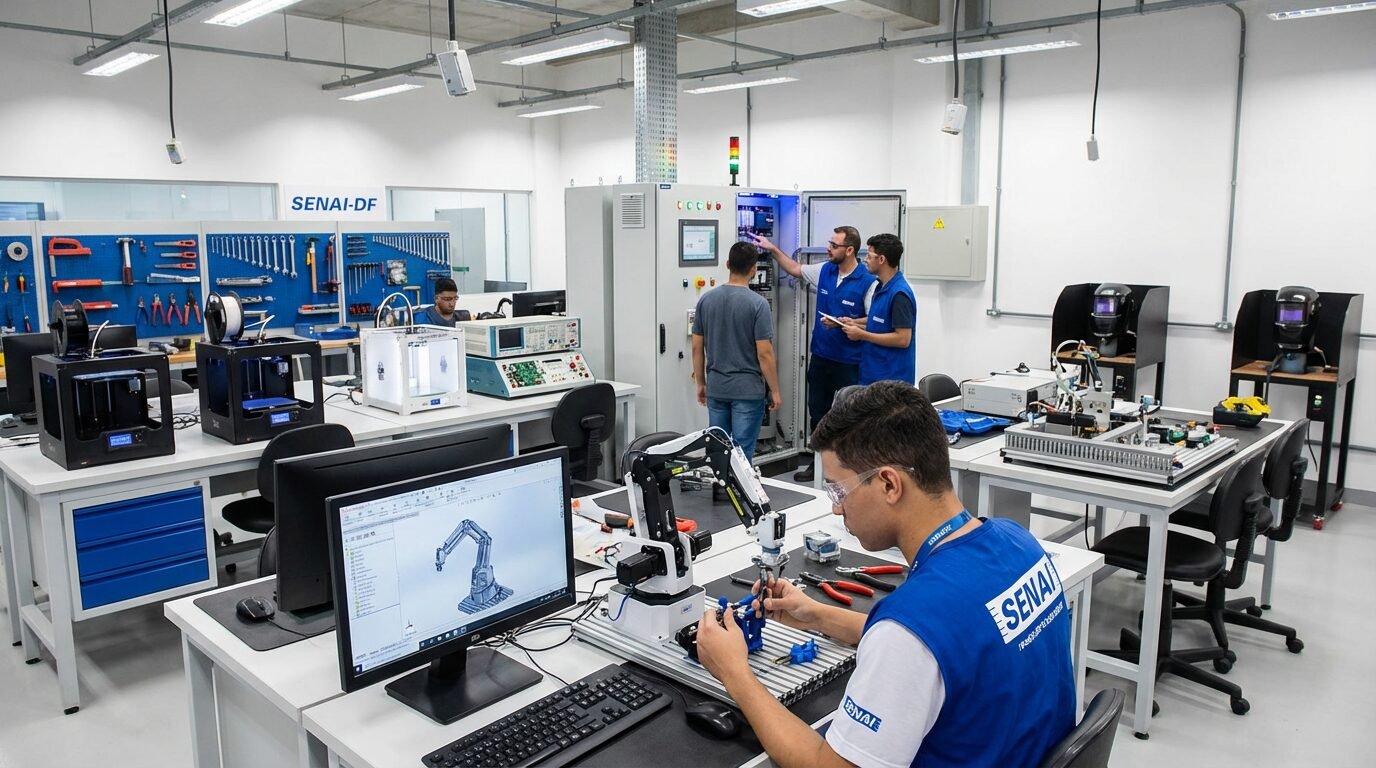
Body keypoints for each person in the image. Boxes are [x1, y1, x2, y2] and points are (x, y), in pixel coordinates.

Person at [695, 382, 1075, 768]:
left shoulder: (910, 630)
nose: (836, 511)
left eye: (839, 491)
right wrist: (817, 614)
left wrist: (734, 672)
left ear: (889, 484)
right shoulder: (1018, 543)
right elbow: (955, 643)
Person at [752, 226, 875, 481]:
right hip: (821, 357)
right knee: (818, 413)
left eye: (834, 245)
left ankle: (848, 468)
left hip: (850, 363)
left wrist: (846, 323)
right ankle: (819, 465)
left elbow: (873, 320)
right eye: (830, 243)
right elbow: (795, 269)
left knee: (849, 417)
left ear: (849, 250)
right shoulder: (826, 270)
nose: (828, 248)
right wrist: (772, 249)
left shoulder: (867, 281)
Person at [691, 241, 782, 460]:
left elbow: (696, 347)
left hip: (717, 388)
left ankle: (721, 491)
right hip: (747, 391)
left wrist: (701, 383)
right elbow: (764, 354)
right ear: (754, 269)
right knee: (741, 453)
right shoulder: (758, 304)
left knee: (718, 449)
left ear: (727, 264)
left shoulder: (706, 300)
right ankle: (740, 494)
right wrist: (775, 390)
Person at [839, 234, 916, 385]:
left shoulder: (899, 294)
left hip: (891, 380)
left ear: (882, 260)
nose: (865, 260)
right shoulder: (880, 286)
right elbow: (880, 321)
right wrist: (853, 323)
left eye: (869, 256)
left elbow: (903, 338)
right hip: (872, 374)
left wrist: (862, 335)